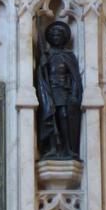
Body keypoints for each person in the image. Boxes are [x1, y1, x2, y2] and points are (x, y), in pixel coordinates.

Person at [35, 20, 83, 160]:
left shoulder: (68, 55)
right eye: (53, 35)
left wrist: (74, 94)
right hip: (50, 91)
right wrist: (42, 65)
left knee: (64, 116)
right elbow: (41, 76)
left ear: (64, 38)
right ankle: (52, 148)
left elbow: (75, 78)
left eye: (59, 35)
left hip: (64, 90)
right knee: (51, 116)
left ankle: (68, 148)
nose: (56, 37)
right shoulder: (47, 55)